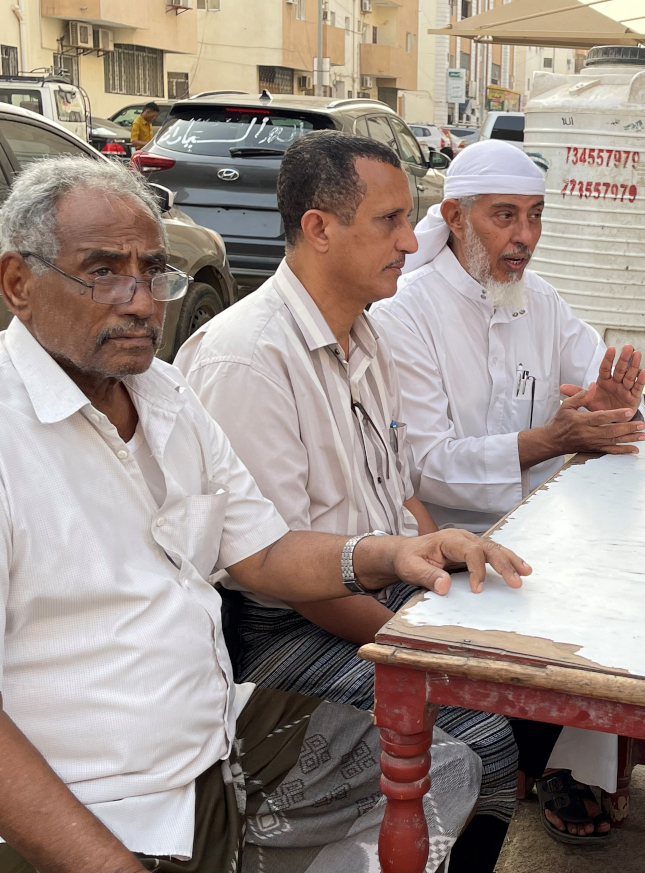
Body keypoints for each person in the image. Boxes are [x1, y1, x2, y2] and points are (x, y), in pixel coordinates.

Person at [0, 155, 532, 873]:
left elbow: (263, 550)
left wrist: (386, 553)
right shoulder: (27, 432)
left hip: (218, 738)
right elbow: (270, 588)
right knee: (476, 722)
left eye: (153, 270)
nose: (139, 301)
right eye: (102, 270)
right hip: (104, 799)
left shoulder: (162, 394)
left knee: (453, 761)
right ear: (18, 283)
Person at [176, 131, 526, 872]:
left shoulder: (366, 336)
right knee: (484, 731)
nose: (410, 240)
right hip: (279, 630)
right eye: (390, 221)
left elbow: (401, 493)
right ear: (319, 229)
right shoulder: (248, 357)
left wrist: (443, 568)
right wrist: (420, 641)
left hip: (371, 585)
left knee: (524, 656)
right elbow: (283, 572)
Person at [372, 139, 645, 844]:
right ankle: (533, 762)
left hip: (539, 523)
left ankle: (564, 760)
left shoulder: (540, 301)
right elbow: (425, 466)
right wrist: (550, 441)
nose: (523, 238)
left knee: (619, 577)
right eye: (504, 217)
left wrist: (613, 404)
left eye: (534, 216)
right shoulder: (408, 312)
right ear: (455, 217)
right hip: (440, 536)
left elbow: (605, 396)